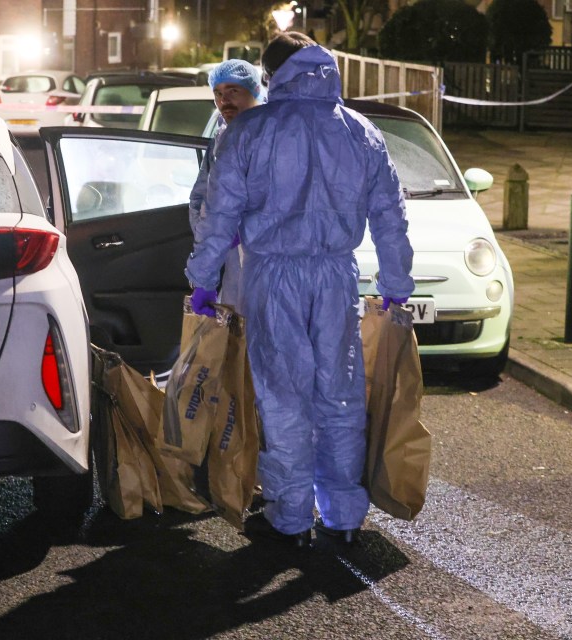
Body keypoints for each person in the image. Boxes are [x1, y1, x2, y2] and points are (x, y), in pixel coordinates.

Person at [185, 33, 414, 548]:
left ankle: (290, 517)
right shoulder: (361, 132)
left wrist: (202, 280)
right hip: (337, 276)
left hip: (272, 275)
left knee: (283, 395)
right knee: (340, 392)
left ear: (271, 76)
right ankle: (343, 514)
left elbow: (218, 215)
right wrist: (396, 286)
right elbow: (391, 216)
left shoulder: (250, 132)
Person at [188, 59, 261, 311]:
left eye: (233, 91)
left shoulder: (270, 137)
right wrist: (214, 239)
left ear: (255, 91)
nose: (224, 100)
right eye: (218, 93)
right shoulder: (221, 135)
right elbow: (201, 198)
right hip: (234, 264)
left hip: (267, 261)